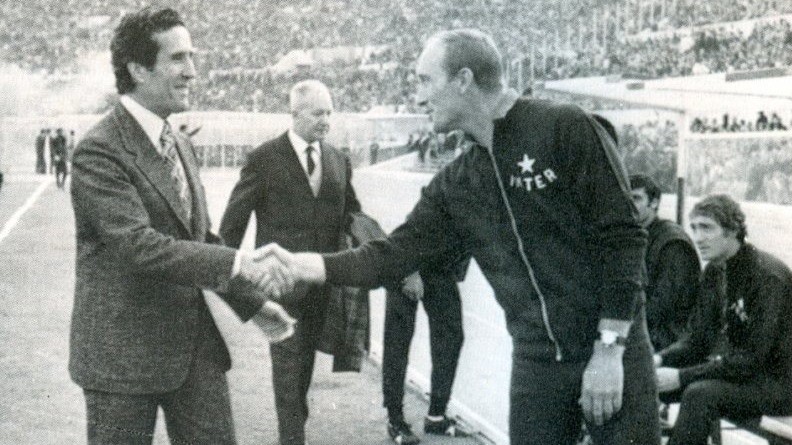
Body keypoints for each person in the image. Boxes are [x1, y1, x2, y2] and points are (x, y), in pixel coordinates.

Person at [261, 29, 660, 445]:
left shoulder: (564, 126)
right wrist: (303, 264)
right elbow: (392, 255)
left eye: (425, 80)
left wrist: (610, 349)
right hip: (536, 362)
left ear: (463, 79)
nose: (418, 96)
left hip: (612, 347)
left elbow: (624, 238)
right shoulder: (458, 182)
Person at [68, 8, 290, 444]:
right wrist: (240, 262)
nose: (192, 71)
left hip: (193, 350)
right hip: (122, 358)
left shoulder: (180, 143)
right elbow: (140, 245)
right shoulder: (99, 150)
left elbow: (197, 237)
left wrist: (252, 303)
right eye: (178, 58)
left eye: (192, 57)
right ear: (138, 69)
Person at [219, 79, 367, 445]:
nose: (325, 121)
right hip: (280, 289)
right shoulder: (264, 159)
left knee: (302, 377)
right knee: (287, 377)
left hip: (322, 289)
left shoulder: (338, 160)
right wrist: (232, 280)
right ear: (295, 113)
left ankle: (294, 434)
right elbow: (232, 227)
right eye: (318, 113)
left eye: (329, 113)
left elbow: (354, 216)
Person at [655, 195, 792, 445]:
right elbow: (697, 340)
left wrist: (681, 376)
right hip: (743, 375)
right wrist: (660, 359)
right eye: (694, 228)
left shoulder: (767, 277)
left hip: (779, 383)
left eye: (707, 228)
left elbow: (752, 359)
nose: (698, 237)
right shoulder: (715, 270)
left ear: (732, 231)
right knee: (644, 378)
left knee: (700, 393)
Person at [384, 255, 471, 444]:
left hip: (438, 265)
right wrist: (408, 271)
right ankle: (395, 420)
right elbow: (405, 237)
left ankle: (436, 417)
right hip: (405, 261)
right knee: (397, 341)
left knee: (451, 335)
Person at [629, 174, 699, 351]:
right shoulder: (633, 235)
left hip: (668, 337)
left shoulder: (672, 242)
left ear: (654, 203)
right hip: (643, 328)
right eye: (626, 198)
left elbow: (664, 305)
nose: (629, 204)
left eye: (636, 198)